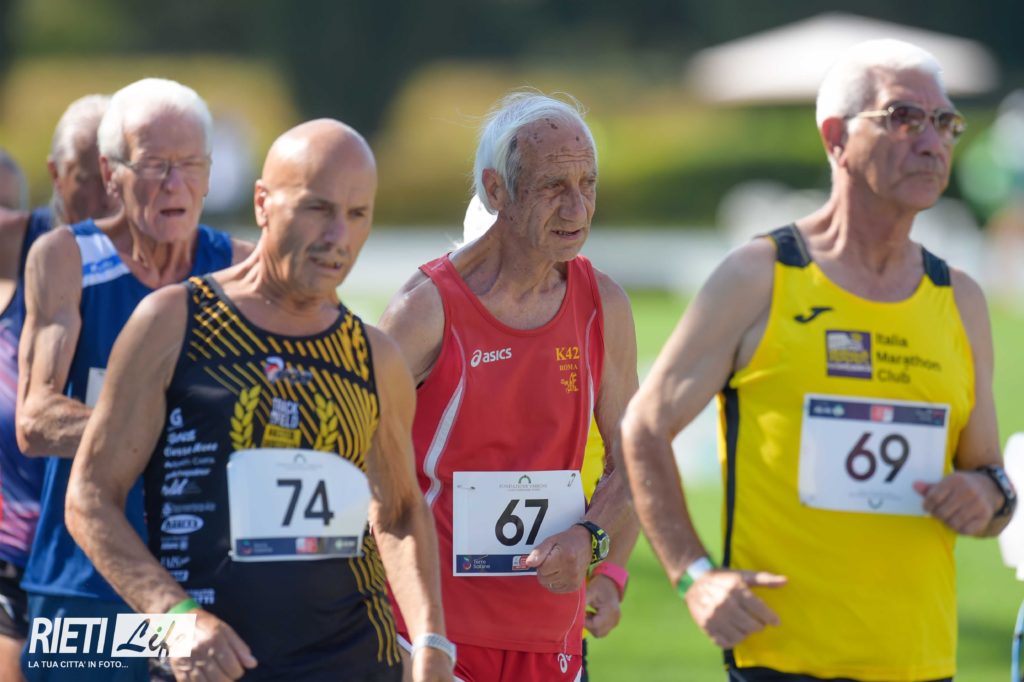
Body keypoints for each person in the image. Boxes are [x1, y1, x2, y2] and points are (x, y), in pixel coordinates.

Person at [619, 39, 1016, 682]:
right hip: (781, 657)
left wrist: (984, 493)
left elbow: (992, 480)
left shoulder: (960, 298)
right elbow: (644, 426)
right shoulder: (762, 274)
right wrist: (693, 575)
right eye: (903, 118)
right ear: (836, 137)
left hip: (918, 659)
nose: (932, 141)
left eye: (945, 122)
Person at [66, 118, 453, 682]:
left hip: (354, 663)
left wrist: (430, 639)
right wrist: (174, 617)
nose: (339, 236)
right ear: (263, 203)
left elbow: (397, 510)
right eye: (317, 208)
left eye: (357, 214)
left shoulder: (375, 357)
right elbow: (90, 497)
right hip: (212, 664)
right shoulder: (174, 322)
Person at [379, 90, 638, 682]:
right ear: (496, 191)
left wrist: (593, 542)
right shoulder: (425, 310)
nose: (577, 207)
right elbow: (359, 461)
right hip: (430, 633)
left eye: (588, 184)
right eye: (553, 186)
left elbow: (634, 460)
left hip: (550, 633)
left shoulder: (604, 306)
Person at [16, 78, 249, 680]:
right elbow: (35, 419)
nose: (174, 184)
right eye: (153, 165)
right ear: (110, 172)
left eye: (190, 164)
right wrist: (168, 430)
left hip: (213, 584)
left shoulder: (242, 267)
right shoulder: (66, 257)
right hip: (84, 585)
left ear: (209, 172)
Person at [460, 192, 638, 680]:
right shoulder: (436, 323)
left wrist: (611, 574)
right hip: (454, 617)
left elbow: (632, 469)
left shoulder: (593, 323)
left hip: (553, 617)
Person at [0, 95, 115, 682]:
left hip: (116, 561)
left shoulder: (174, 261)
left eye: (112, 178)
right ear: (55, 174)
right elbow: (33, 422)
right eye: (85, 177)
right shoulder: (28, 243)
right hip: (18, 559)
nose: (103, 199)